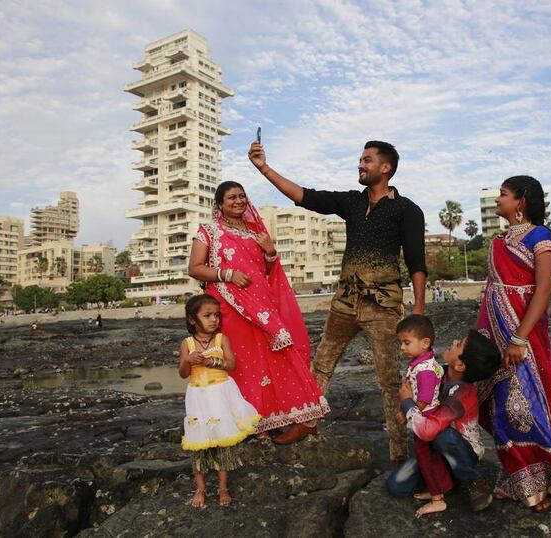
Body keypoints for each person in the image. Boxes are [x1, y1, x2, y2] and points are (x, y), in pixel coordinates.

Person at [248, 139, 426, 462]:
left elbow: (417, 261)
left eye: (367, 160)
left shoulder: (407, 210)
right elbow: (305, 196)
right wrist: (263, 168)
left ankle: (399, 453)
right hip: (344, 302)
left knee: (388, 380)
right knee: (321, 365)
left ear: (385, 168)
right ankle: (307, 422)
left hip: (383, 308)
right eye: (360, 159)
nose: (360, 164)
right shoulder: (352, 203)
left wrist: (418, 310)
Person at [476, 175, 551, 515]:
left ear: (521, 201)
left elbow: (542, 291)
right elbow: (490, 291)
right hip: (496, 334)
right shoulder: (498, 242)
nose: (497, 199)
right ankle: (518, 480)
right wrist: (478, 338)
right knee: (502, 408)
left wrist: (519, 338)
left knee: (528, 407)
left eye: (503, 194)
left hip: (524, 336)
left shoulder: (541, 237)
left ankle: (550, 479)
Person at [188, 181, 329, 443]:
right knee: (240, 363)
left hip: (262, 305)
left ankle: (284, 417)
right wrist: (226, 274)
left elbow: (267, 272)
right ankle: (250, 422)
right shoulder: (209, 232)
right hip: (230, 307)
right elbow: (195, 267)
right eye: (231, 197)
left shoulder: (257, 233)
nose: (238, 201)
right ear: (219, 204)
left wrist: (271, 251)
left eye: (242, 195)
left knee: (275, 357)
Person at [387, 330, 499, 516]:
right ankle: (447, 479)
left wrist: (407, 403)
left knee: (442, 434)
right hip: (435, 451)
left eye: (459, 343)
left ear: (461, 364)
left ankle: (474, 481)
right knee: (397, 486)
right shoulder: (439, 373)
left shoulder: (462, 395)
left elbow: (427, 430)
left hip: (462, 450)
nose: (453, 340)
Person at [179, 295, 260, 508]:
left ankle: (222, 487)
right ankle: (201, 488)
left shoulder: (220, 340)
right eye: (207, 316)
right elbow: (183, 373)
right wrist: (188, 360)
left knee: (222, 440)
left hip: (220, 395)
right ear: (192, 320)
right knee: (199, 442)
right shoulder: (187, 344)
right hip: (198, 396)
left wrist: (209, 360)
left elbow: (231, 364)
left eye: (216, 315)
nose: (213, 319)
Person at [395, 315, 446, 516]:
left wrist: (405, 411)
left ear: (425, 343)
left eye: (406, 343)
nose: (402, 348)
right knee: (432, 457)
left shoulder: (425, 370)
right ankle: (437, 490)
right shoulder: (424, 363)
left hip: (425, 419)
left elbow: (423, 399)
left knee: (426, 459)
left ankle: (437, 500)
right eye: (401, 343)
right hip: (429, 416)